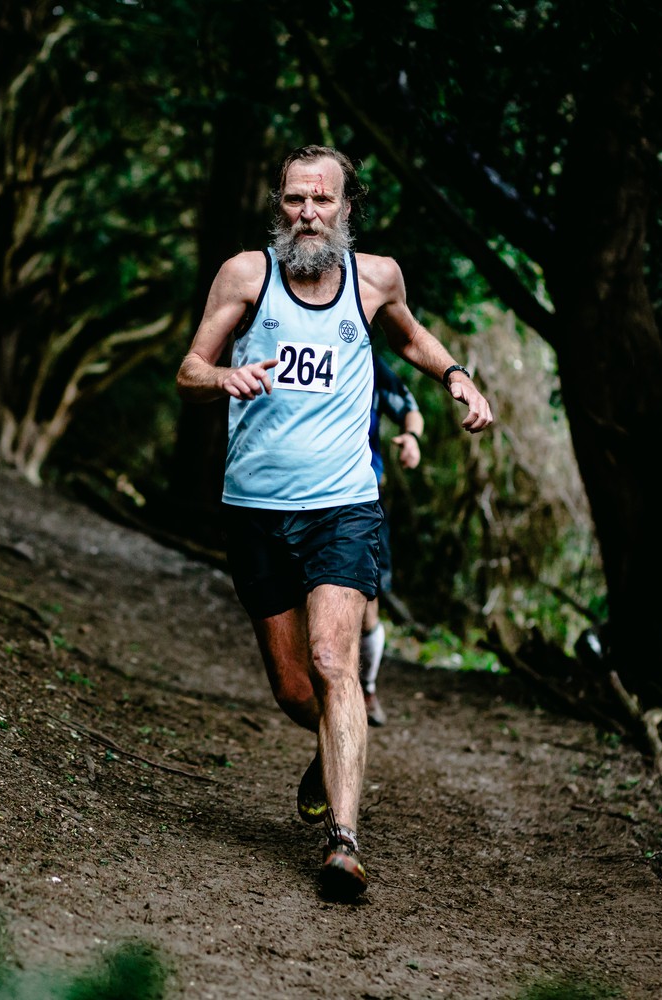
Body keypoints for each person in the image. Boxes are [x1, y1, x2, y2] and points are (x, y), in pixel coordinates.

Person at [175, 144, 492, 900]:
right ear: (278, 206)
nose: (307, 214)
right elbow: (188, 370)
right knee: (294, 690)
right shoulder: (245, 276)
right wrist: (223, 376)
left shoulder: (375, 278)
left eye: (322, 200)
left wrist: (454, 377)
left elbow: (410, 335)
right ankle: (328, 746)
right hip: (255, 510)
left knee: (331, 661)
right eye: (293, 200)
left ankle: (343, 842)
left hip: (343, 506)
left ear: (347, 208)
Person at [361, 355, 424, 728]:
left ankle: (366, 690)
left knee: (368, 602)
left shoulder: (370, 363)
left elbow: (410, 408)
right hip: (295, 493)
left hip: (364, 496)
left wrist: (411, 438)